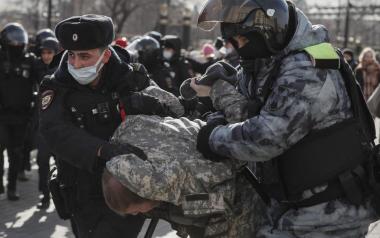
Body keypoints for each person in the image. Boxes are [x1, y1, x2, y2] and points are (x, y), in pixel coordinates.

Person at [192, 0, 379, 237]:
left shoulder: (308, 69)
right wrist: (222, 101)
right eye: (234, 42)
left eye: (244, 40)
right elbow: (255, 111)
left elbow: (267, 137)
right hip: (291, 205)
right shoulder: (273, 61)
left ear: (269, 29)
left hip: (328, 216)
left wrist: (213, 137)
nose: (239, 49)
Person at [39, 14, 172, 238]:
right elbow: (55, 131)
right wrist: (102, 150)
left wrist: (152, 106)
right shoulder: (55, 85)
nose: (76, 63)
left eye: (85, 56)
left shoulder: (131, 77)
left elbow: (169, 111)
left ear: (106, 55)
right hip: (82, 192)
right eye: (71, 55)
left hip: (127, 189)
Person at [101, 79, 267, 237]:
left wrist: (179, 208)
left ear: (144, 193)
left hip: (242, 199)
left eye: (136, 210)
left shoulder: (182, 179)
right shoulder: (124, 140)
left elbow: (226, 199)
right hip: (204, 143)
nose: (138, 214)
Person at [0, 22, 38, 201]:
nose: (16, 46)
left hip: (22, 115)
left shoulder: (30, 61)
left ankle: (12, 186)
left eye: (19, 43)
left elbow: (45, 78)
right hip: (1, 115)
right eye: (12, 43)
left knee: (16, 152)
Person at [34, 36, 60, 209]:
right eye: (43, 52)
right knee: (42, 161)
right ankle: (44, 194)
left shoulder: (63, 71)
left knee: (61, 163)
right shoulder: (37, 68)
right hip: (43, 125)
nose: (46, 56)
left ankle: (61, 194)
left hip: (61, 126)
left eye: (49, 52)